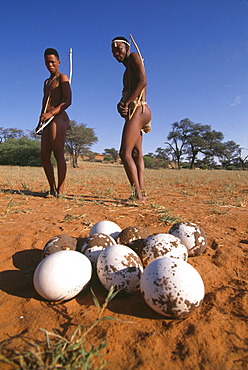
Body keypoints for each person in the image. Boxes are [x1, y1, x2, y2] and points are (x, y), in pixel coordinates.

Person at [111, 36, 152, 203]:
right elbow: (128, 92)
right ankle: (141, 192)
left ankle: (138, 196)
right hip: (138, 110)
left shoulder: (134, 56)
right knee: (135, 153)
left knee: (124, 153)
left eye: (119, 49)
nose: (116, 53)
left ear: (127, 48)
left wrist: (127, 103)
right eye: (113, 51)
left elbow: (143, 81)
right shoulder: (126, 69)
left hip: (139, 109)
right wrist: (121, 105)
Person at [36, 48, 72, 198]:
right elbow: (45, 102)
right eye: (47, 62)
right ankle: (52, 189)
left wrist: (51, 113)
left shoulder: (62, 78)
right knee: (44, 156)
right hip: (47, 119)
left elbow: (68, 101)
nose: (50, 65)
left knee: (58, 154)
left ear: (58, 62)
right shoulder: (47, 81)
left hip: (58, 117)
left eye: (52, 62)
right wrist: (41, 119)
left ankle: (61, 190)